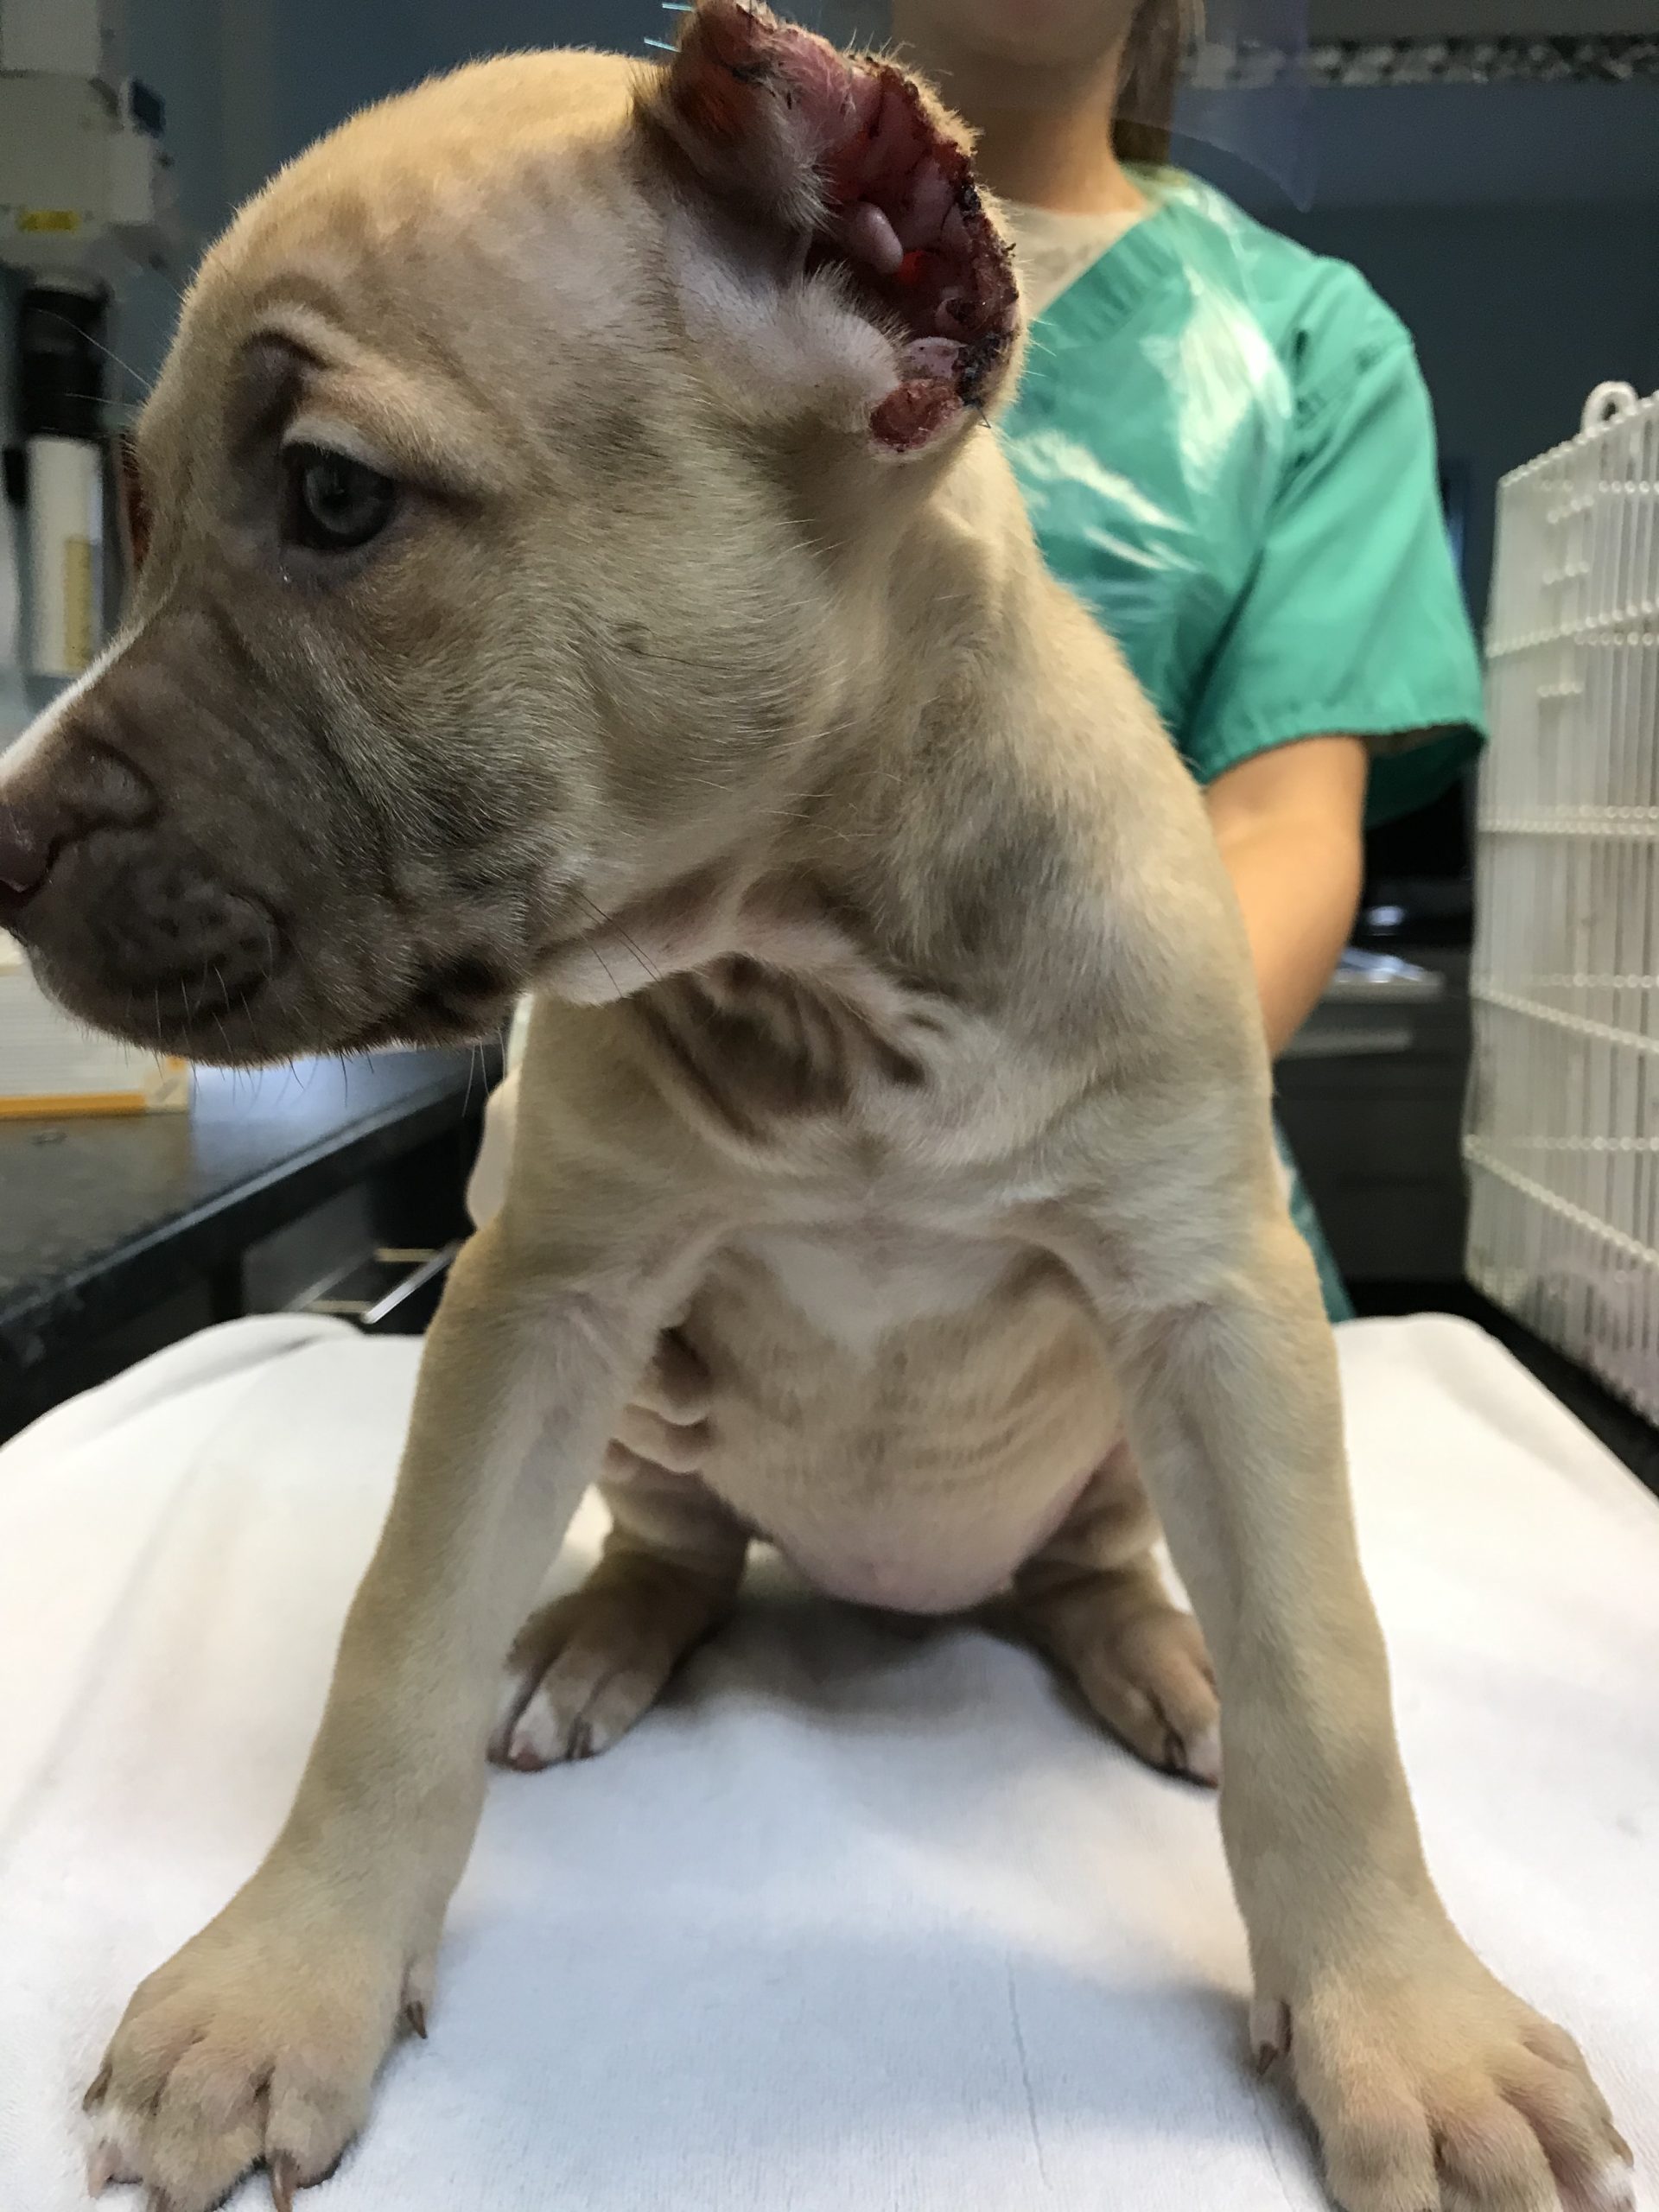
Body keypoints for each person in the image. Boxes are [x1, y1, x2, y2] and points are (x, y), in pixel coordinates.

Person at [471, 0, 1486, 1324]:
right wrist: (586, 1118)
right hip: (704, 1224)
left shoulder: (1304, 351)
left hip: (1106, 1258)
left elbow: (1283, 824)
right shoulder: (660, 271)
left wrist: (1046, 1144)